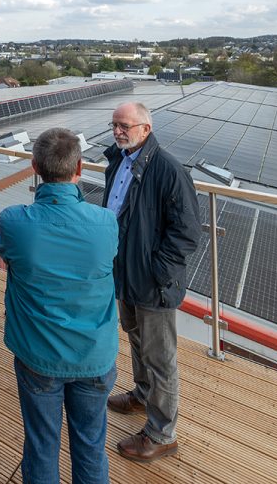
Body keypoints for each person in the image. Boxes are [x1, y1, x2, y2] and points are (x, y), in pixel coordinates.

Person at [0, 128, 119, 484]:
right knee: (91, 445)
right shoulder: (106, 222)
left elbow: (9, 259)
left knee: (41, 445)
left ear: (34, 167)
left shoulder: (13, 221)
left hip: (39, 356)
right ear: (79, 168)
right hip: (93, 355)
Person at [102, 102, 200, 463]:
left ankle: (161, 433)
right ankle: (143, 396)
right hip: (125, 274)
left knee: (160, 358)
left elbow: (187, 233)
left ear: (145, 128)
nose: (117, 131)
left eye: (124, 125)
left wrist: (157, 271)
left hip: (153, 282)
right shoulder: (120, 159)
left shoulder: (169, 170)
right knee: (137, 340)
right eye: (114, 125)